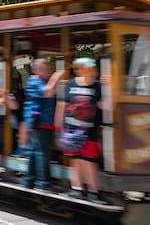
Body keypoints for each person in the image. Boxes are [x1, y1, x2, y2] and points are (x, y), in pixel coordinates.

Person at [57, 57, 104, 203]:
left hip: (89, 130)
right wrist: (58, 126)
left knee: (89, 161)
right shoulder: (70, 84)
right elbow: (63, 105)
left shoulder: (98, 86)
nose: (87, 72)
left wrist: (111, 89)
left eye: (90, 69)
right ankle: (76, 189)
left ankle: (93, 192)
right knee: (76, 160)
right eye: (83, 69)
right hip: (71, 129)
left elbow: (105, 105)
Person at [21, 59, 65, 191]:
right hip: (41, 122)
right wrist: (57, 76)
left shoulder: (42, 81)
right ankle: (43, 182)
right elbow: (48, 92)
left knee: (35, 152)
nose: (48, 72)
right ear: (38, 70)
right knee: (43, 153)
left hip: (44, 122)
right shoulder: (34, 81)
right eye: (46, 69)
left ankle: (29, 180)